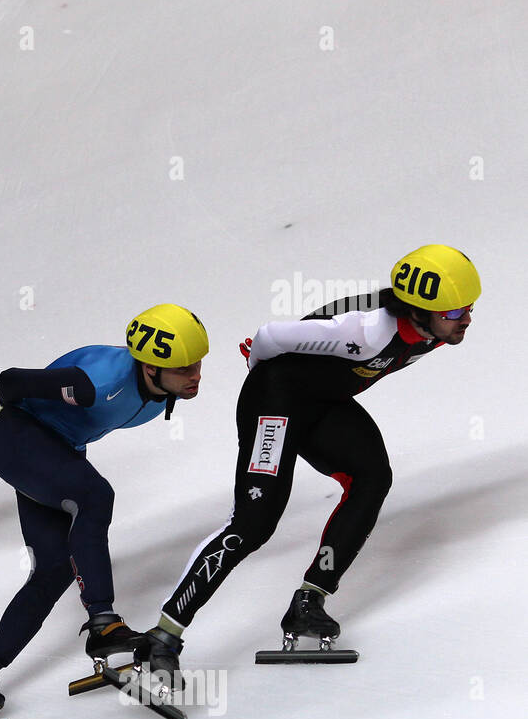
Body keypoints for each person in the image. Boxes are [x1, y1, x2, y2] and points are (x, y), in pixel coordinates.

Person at [138, 245, 479, 684]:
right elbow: (268, 337)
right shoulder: (365, 329)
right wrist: (265, 387)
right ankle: (163, 637)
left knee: (373, 478)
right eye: (454, 312)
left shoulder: (433, 330)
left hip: (323, 404)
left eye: (469, 308)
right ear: (418, 308)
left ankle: (309, 602)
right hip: (275, 403)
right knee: (253, 525)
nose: (466, 319)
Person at [0, 304, 208, 712]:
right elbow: (8, 382)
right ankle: (103, 622)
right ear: (150, 367)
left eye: (196, 365)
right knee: (96, 496)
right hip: (19, 438)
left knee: (53, 571)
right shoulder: (97, 380)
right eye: (183, 369)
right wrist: (53, 392)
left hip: (57, 452)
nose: (194, 376)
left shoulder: (161, 393)